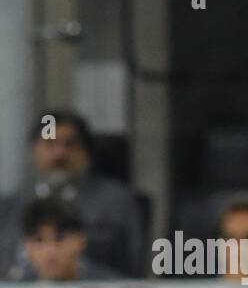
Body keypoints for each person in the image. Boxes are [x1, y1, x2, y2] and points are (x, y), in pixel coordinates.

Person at [0, 110, 142, 279]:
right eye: (50, 144)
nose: (60, 153)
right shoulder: (9, 206)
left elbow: (135, 266)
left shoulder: (117, 202)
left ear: (86, 153)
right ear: (34, 150)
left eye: (70, 144)